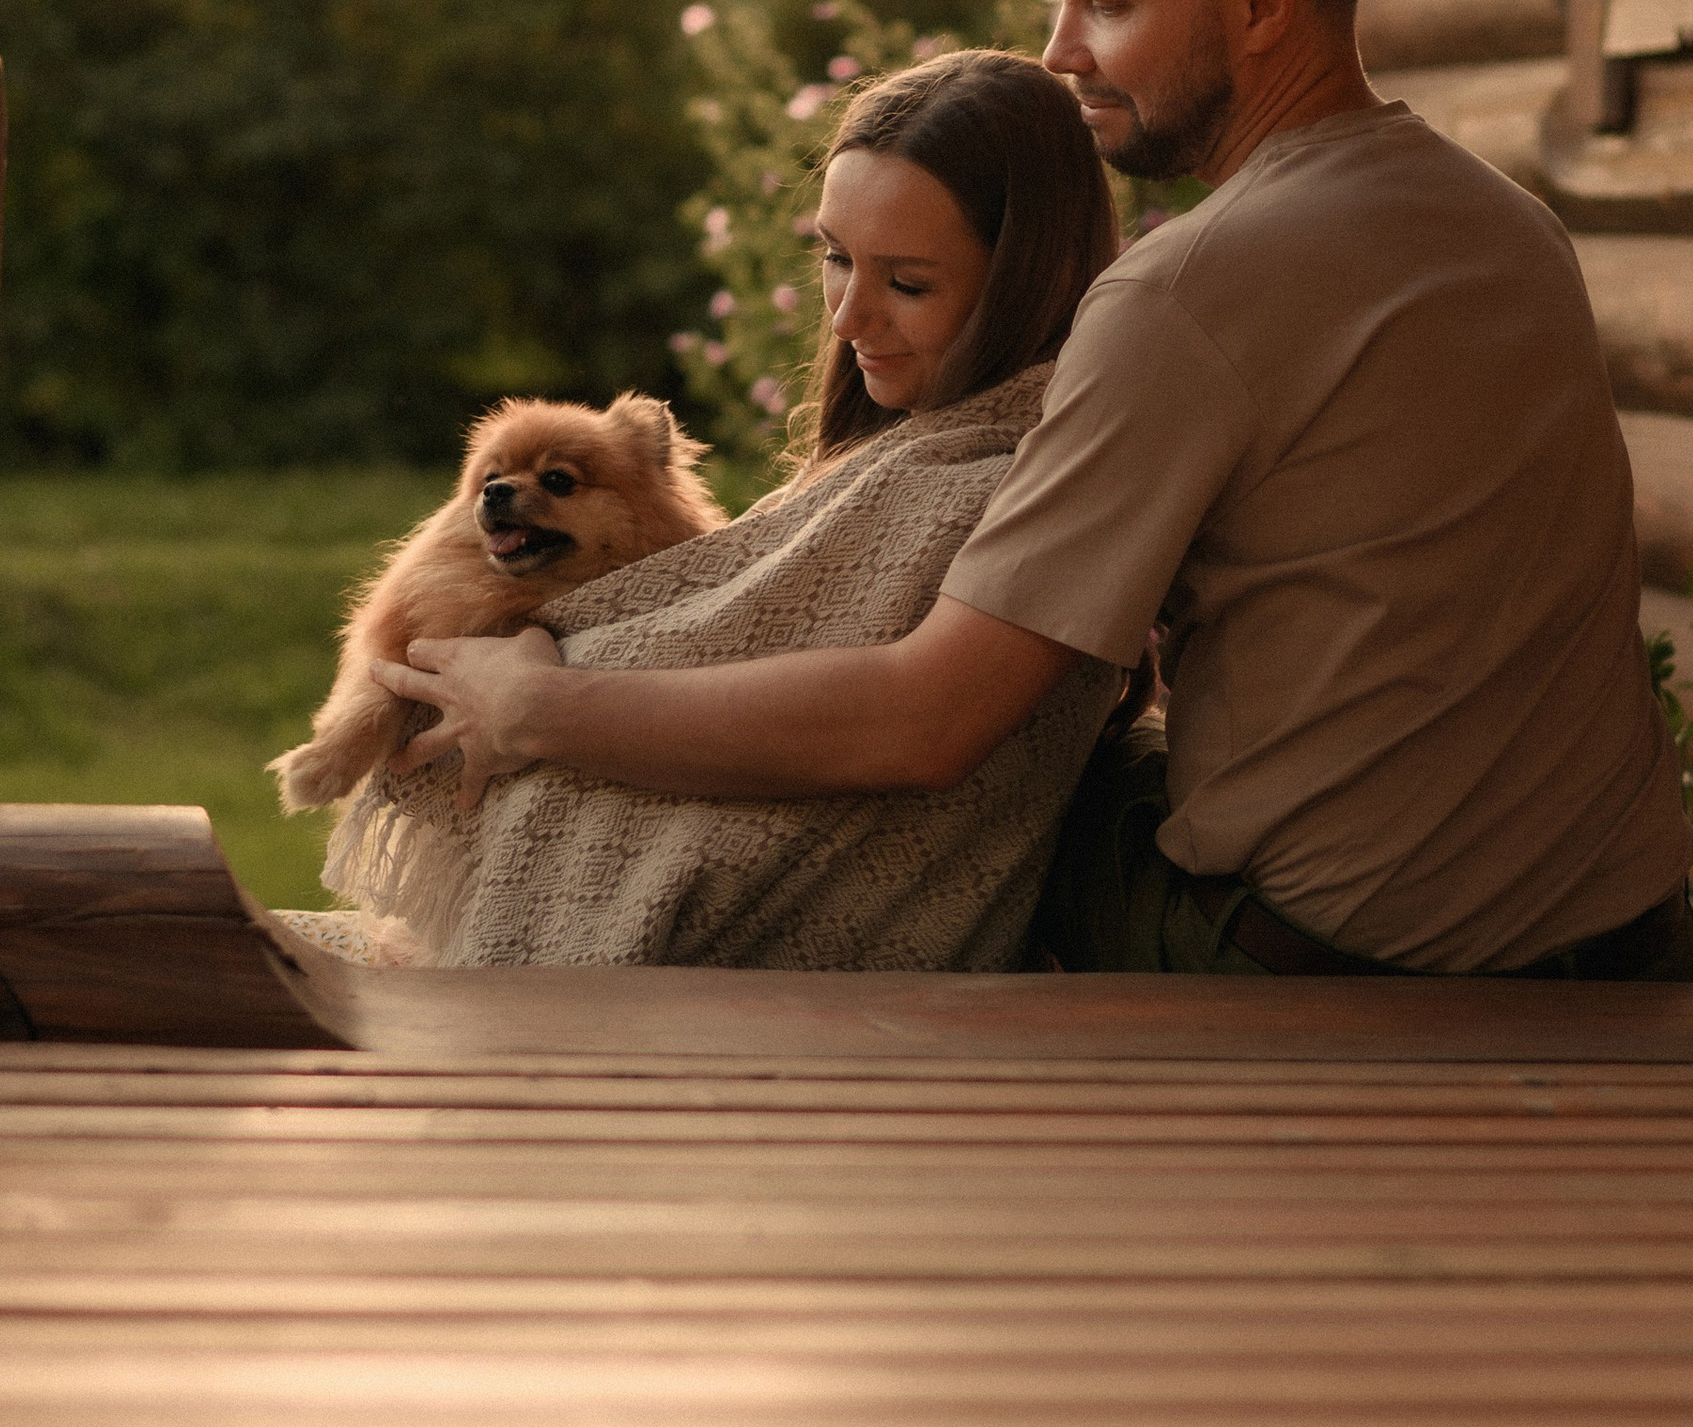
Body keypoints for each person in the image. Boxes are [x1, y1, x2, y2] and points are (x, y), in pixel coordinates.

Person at [385, 0, 1693, 983]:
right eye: (1056, 3)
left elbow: (925, 722)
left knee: (979, 804)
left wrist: (542, 707)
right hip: (1630, 939)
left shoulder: (1186, 293)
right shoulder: (1509, 226)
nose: (1062, 54)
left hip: (1336, 970)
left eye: (1106, 6)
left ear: (1260, 3)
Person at [322, 49, 1126, 969]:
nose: (847, 319)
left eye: (907, 283)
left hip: (765, 990)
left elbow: (910, 722)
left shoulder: (1012, 478)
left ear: (1027, 280)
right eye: (835, 259)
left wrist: (540, 701)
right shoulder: (889, 458)